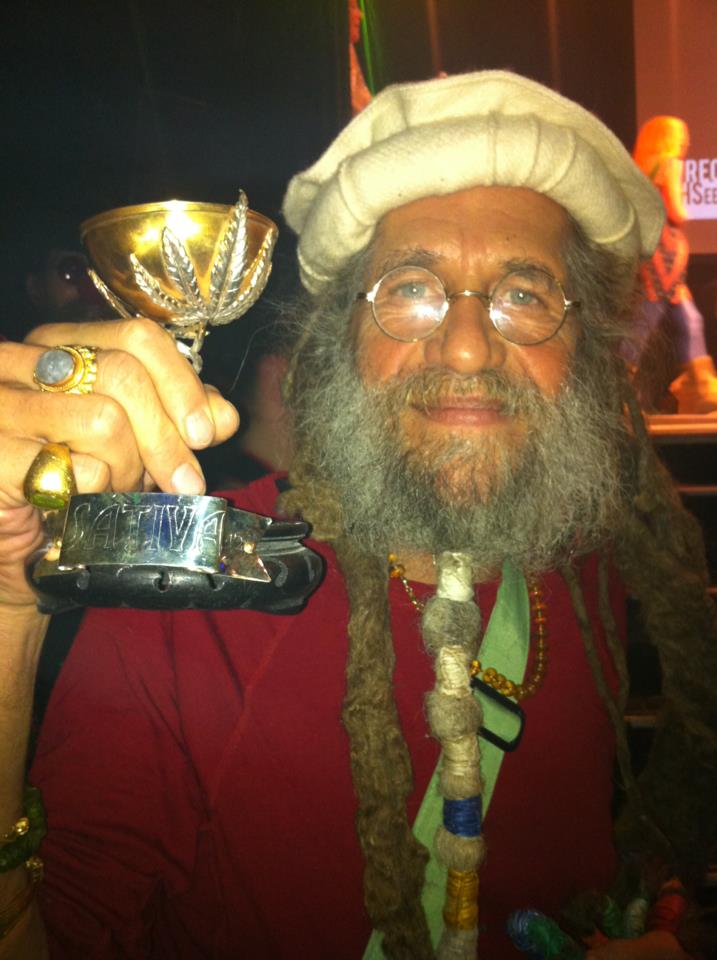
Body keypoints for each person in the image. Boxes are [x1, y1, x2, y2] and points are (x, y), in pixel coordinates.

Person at [0, 70, 716, 960]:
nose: (466, 347)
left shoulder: (588, 568)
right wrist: (6, 616)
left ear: (585, 351)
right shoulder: (189, 608)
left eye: (523, 295)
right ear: (338, 338)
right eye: (410, 289)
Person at [628, 116, 717, 414]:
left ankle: (699, 387)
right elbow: (678, 212)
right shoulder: (669, 165)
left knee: (686, 319)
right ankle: (616, 387)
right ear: (667, 138)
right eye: (681, 136)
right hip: (665, 253)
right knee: (648, 320)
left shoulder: (643, 169)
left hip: (653, 250)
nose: (686, 142)